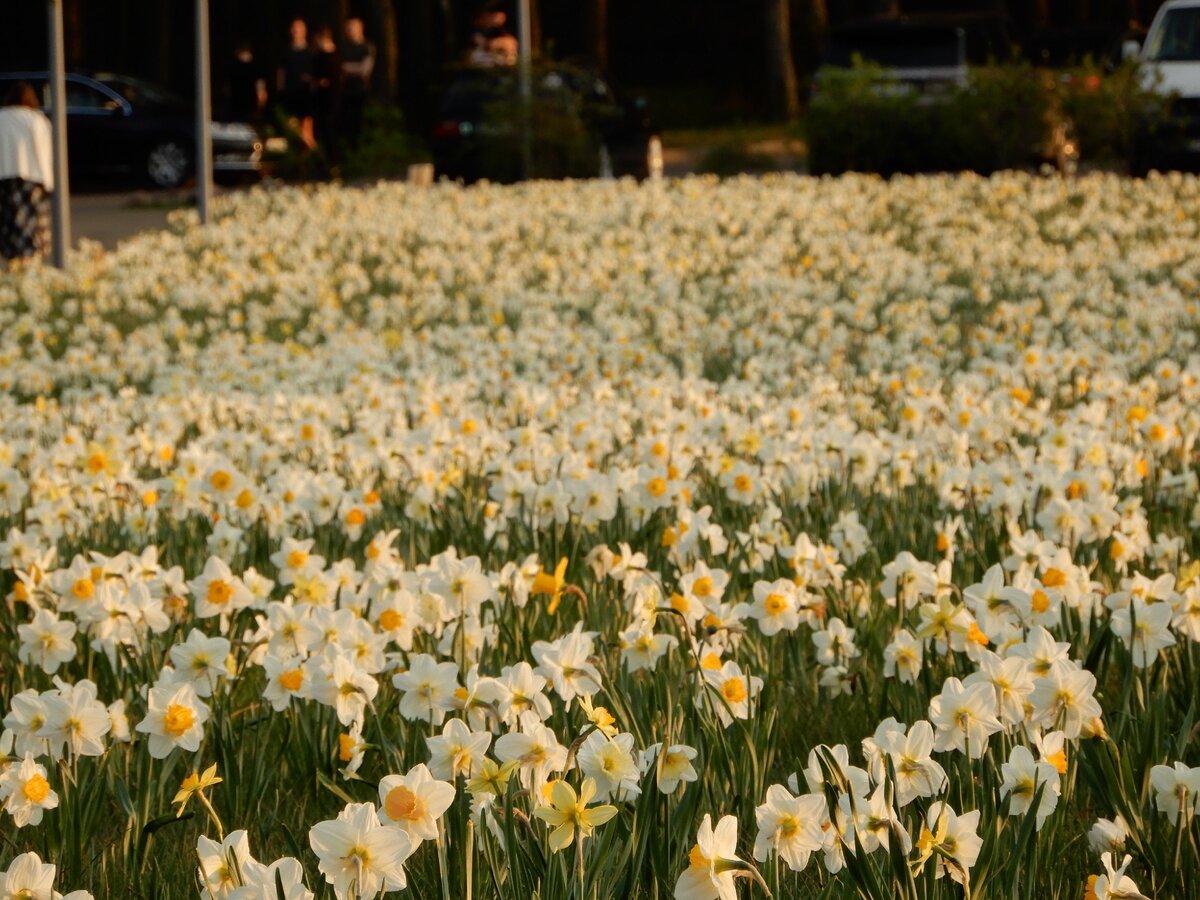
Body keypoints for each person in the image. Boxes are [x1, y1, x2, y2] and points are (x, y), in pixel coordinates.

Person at [0, 82, 53, 264]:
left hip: (4, 178)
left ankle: (10, 260)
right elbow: (44, 152)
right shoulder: (36, 120)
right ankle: (30, 263)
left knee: (9, 223)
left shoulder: (1, 117)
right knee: (32, 228)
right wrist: (49, 183)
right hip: (32, 179)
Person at [278, 18, 315, 149]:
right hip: (290, 93)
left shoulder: (310, 52)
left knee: (306, 129)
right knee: (291, 127)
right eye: (294, 28)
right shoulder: (286, 52)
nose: (296, 31)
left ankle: (312, 156)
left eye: (299, 28)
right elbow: (281, 72)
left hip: (305, 94)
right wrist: (281, 89)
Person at [339, 17, 375, 149]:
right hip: (345, 91)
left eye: (353, 27)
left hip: (361, 91)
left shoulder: (367, 47)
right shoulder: (342, 47)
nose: (350, 30)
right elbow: (339, 67)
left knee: (361, 123)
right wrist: (356, 67)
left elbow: (365, 70)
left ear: (361, 28)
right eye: (348, 27)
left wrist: (348, 68)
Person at [312, 25, 340, 157]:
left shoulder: (325, 56)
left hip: (328, 97)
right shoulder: (333, 54)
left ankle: (331, 157)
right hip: (328, 97)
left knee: (327, 128)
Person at [228, 40, 268, 124]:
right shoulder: (235, 67)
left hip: (246, 106)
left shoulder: (236, 67)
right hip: (243, 106)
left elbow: (260, 90)